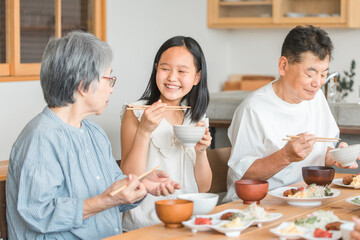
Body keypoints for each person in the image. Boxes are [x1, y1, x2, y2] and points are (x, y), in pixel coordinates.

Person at [6, 31, 180, 240]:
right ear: (83, 85)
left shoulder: (94, 133)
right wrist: (106, 200)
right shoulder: (41, 139)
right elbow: (39, 213)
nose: (111, 89)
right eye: (109, 79)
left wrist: (142, 184)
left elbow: (115, 191)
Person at [223, 25, 359, 203]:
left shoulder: (316, 99)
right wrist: (285, 156)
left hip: (302, 197)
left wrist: (335, 156)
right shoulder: (254, 108)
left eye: (323, 74)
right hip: (258, 203)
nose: (318, 83)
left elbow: (321, 151)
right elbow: (243, 175)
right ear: (283, 66)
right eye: (310, 74)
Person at [120, 36, 212, 230]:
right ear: (156, 69)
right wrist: (144, 130)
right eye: (165, 69)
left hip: (189, 222)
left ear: (197, 77)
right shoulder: (135, 112)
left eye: (182, 71)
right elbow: (129, 176)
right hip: (146, 224)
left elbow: (203, 188)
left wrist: (201, 151)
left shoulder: (197, 117)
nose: (172, 77)